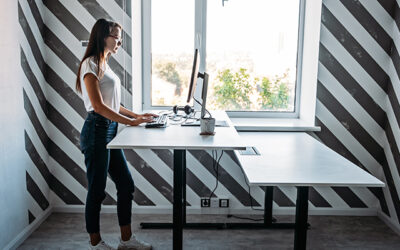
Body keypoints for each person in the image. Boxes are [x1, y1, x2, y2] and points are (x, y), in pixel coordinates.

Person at [76, 18, 155, 250]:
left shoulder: (105, 64)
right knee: (97, 191)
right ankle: (95, 244)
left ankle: (126, 241)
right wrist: (132, 122)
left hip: (110, 129)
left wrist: (137, 116)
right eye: (116, 37)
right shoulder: (89, 65)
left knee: (125, 184)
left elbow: (114, 104)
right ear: (102, 37)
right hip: (96, 130)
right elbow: (99, 107)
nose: (120, 41)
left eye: (120, 38)